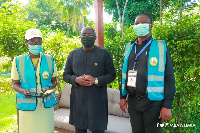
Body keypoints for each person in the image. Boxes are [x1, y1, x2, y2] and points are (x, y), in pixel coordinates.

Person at [119, 13, 175, 133]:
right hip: (133, 102)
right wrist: (122, 97)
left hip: (153, 104)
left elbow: (169, 78)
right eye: (137, 23)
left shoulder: (160, 47)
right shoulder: (129, 47)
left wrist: (167, 106)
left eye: (143, 23)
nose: (139, 25)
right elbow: (124, 74)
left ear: (151, 26)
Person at [63, 26, 116, 133]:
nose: (86, 37)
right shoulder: (73, 54)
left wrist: (96, 80)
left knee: (98, 130)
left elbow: (112, 75)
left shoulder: (103, 53)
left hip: (97, 102)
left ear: (95, 37)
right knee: (80, 130)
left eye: (90, 35)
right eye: (84, 35)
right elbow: (65, 75)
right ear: (80, 37)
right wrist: (76, 79)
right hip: (79, 103)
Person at [11, 29, 58, 133]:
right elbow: (15, 84)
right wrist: (23, 91)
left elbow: (54, 81)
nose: (36, 45)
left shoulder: (49, 59)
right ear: (27, 44)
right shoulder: (18, 60)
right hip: (27, 106)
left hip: (45, 106)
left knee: (46, 130)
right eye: (32, 42)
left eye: (38, 42)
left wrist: (49, 91)